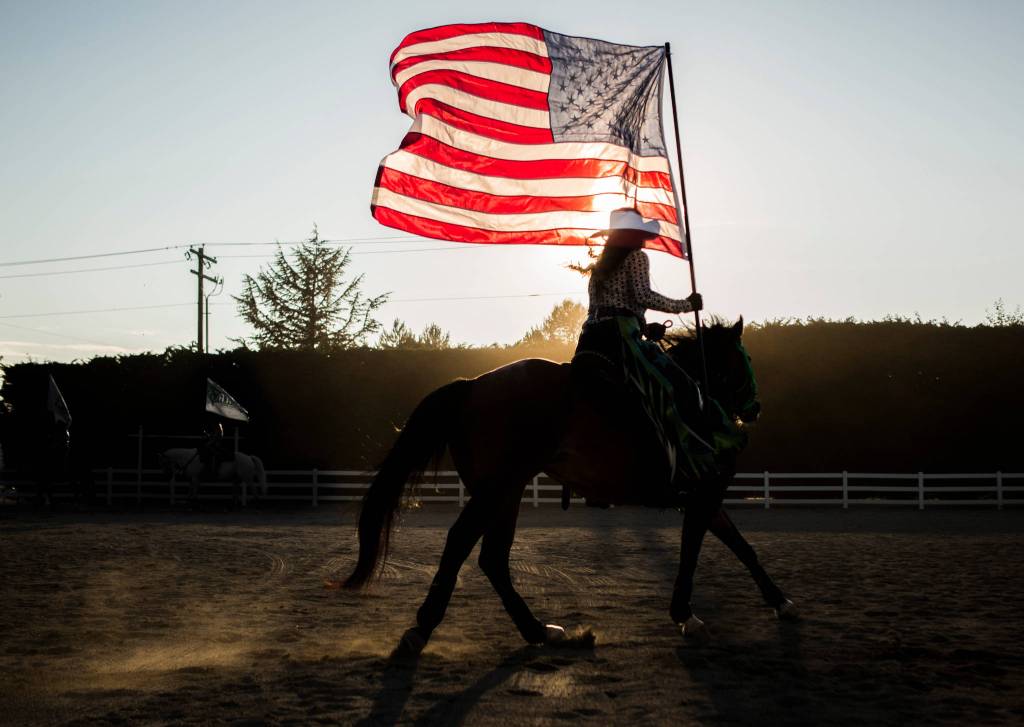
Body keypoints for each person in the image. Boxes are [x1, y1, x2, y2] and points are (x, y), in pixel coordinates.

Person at [572, 207, 709, 504]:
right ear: (633, 236)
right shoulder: (637, 257)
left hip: (590, 338)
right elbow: (643, 297)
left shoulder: (600, 267)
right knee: (674, 387)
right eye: (641, 235)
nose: (645, 241)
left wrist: (645, 325)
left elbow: (609, 305)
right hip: (621, 339)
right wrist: (687, 305)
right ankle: (676, 467)